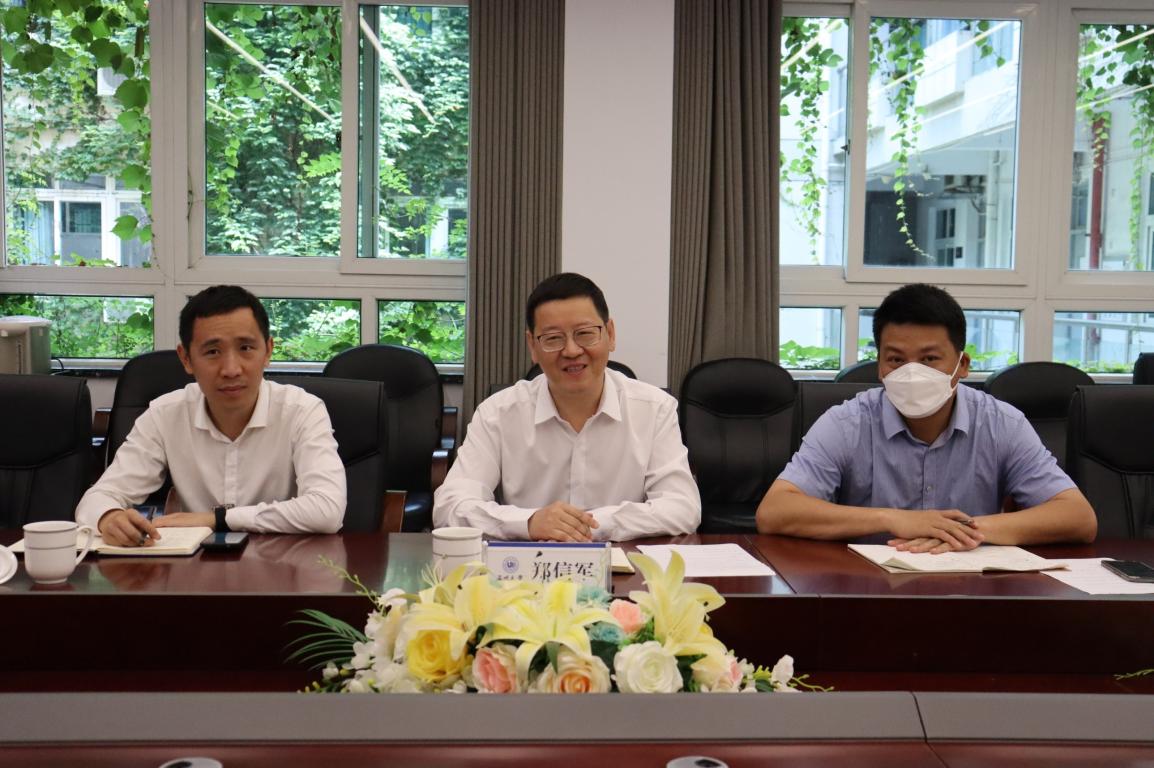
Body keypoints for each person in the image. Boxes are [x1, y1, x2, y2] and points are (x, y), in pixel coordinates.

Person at [757, 283, 1097, 553]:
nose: (912, 372)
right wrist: (892, 519)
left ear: (962, 365)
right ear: (879, 366)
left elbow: (1078, 517)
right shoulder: (846, 423)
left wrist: (960, 531)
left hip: (971, 590)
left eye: (930, 359)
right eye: (895, 359)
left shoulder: (1002, 423)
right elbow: (775, 512)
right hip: (867, 590)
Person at [434, 272, 700, 541]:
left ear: (610, 334)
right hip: (527, 564)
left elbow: (682, 507)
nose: (572, 351)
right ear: (533, 346)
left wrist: (593, 524)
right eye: (553, 338)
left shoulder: (654, 409)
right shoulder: (497, 414)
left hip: (622, 564)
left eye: (584, 334)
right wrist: (529, 522)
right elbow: (451, 506)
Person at [76, 285, 346, 546]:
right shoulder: (165, 414)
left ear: (268, 351)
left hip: (283, 563)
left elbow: (327, 509)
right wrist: (108, 517)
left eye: (246, 348)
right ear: (186, 359)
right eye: (213, 352)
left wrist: (218, 519)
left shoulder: (302, 411)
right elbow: (98, 498)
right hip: (193, 568)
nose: (231, 370)